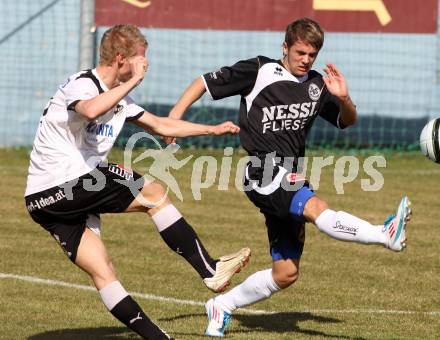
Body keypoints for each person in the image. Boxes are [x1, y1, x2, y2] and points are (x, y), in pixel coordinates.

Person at [166, 17, 412, 337]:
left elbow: (347, 121)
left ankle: (222, 305)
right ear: (285, 47)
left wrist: (343, 97)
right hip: (263, 171)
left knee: (286, 273)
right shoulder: (259, 70)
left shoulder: (316, 85)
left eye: (312, 55)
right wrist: (174, 117)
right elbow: (204, 82)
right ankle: (384, 233)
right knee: (315, 206)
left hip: (291, 174)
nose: (306, 60)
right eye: (300, 53)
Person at [24, 24, 251, 340]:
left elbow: (159, 124)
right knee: (153, 193)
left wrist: (210, 130)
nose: (146, 64)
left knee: (104, 271)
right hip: (64, 184)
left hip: (44, 202)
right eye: (141, 59)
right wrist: (135, 80)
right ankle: (210, 271)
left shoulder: (118, 98)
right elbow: (89, 110)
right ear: (120, 58)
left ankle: (159, 338)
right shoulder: (82, 84)